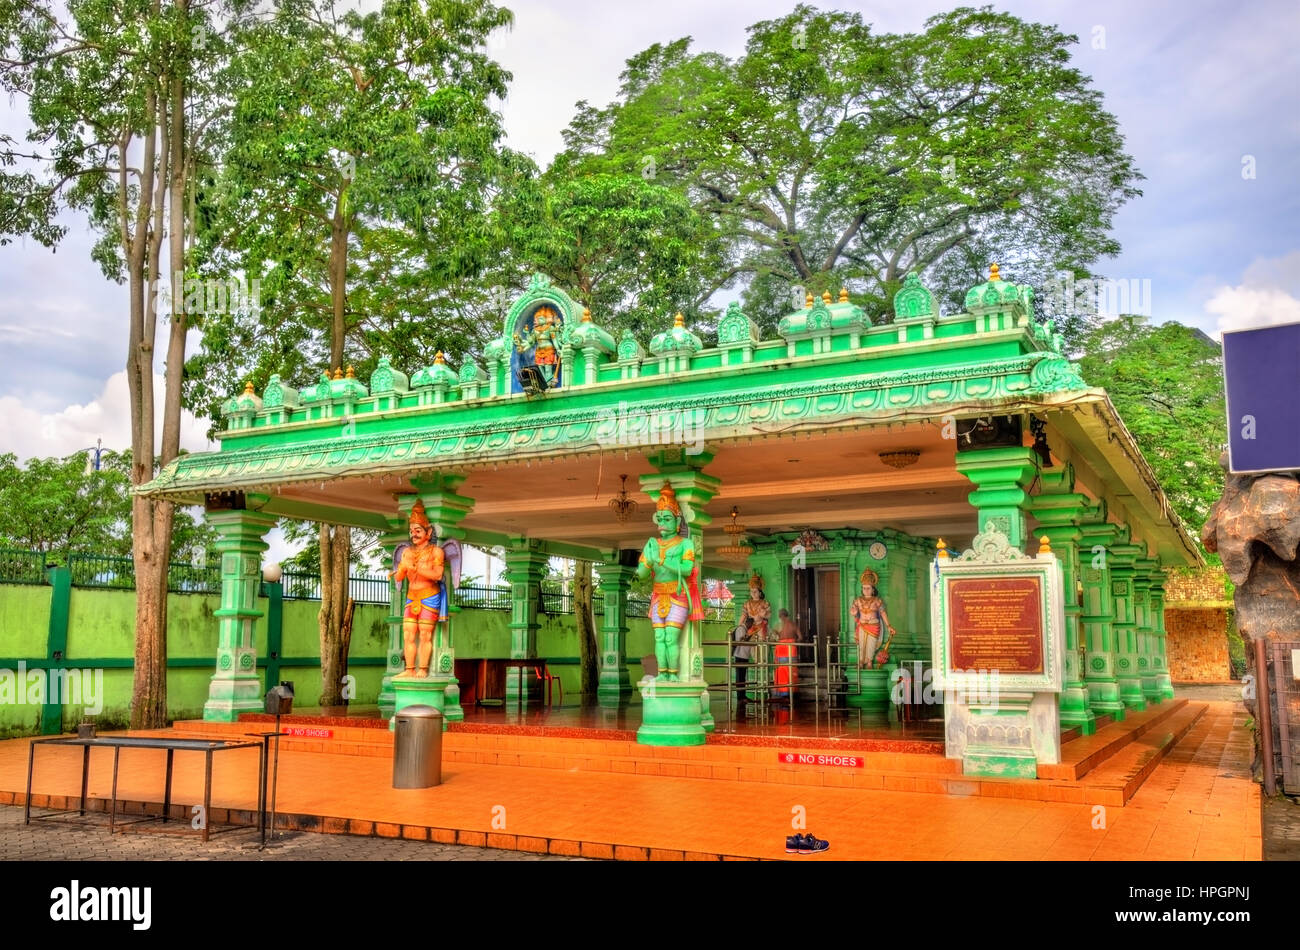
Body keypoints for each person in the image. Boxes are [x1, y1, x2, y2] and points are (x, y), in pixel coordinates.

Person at [635, 483, 704, 681]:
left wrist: (661, 559)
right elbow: (641, 573)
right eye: (660, 519)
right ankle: (662, 674)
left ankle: (673, 675)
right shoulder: (652, 544)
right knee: (658, 637)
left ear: (677, 522)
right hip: (658, 596)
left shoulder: (685, 543)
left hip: (677, 594)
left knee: (670, 637)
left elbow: (687, 569)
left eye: (667, 519)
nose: (663, 523)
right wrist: (649, 559)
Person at [390, 500, 446, 677]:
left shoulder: (436, 552)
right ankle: (409, 670)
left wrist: (416, 568)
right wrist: (401, 568)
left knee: (424, 634)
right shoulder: (407, 552)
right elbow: (399, 578)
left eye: (418, 531)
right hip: (411, 596)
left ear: (428, 532)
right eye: (411, 531)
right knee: (407, 634)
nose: (414, 534)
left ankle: (423, 669)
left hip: (430, 596)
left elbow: (437, 575)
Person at [850, 568, 896, 670]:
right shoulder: (858, 600)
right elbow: (853, 611)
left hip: (874, 625)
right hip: (862, 625)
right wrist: (853, 612)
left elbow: (883, 613)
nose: (866, 590)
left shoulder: (877, 600)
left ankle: (869, 662)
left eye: (868, 588)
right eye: (864, 588)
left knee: (871, 644)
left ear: (873, 589)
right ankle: (861, 662)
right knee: (862, 644)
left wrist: (888, 626)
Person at [773, 608, 801, 698]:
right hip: (791, 649)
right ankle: (792, 691)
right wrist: (792, 641)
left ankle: (783, 691)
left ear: (779, 616)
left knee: (782, 670)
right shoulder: (793, 625)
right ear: (787, 614)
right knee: (792, 670)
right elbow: (800, 637)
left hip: (781, 649)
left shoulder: (778, 625)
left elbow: (773, 637)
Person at [732, 616, 754, 707]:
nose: (751, 625)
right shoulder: (741, 629)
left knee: (742, 677)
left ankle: (743, 696)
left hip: (744, 656)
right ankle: (740, 697)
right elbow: (741, 640)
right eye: (751, 624)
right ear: (747, 622)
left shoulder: (744, 629)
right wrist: (750, 635)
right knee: (740, 677)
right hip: (740, 656)